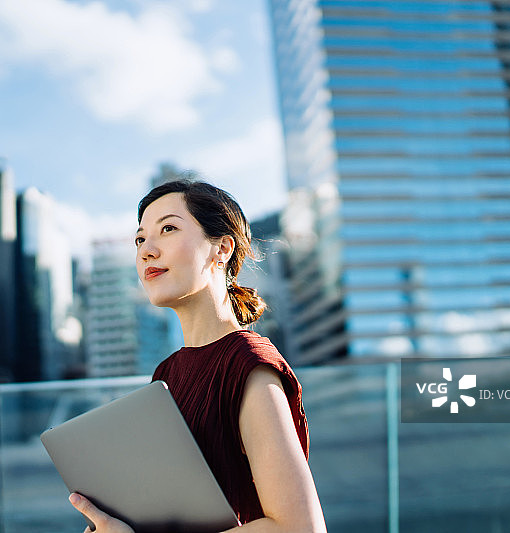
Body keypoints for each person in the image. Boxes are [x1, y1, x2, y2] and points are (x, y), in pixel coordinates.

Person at [69, 179, 327, 533]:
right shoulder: (167, 374)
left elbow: (301, 529)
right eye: (140, 239)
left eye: (168, 228)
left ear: (221, 248)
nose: (146, 250)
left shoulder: (247, 362)